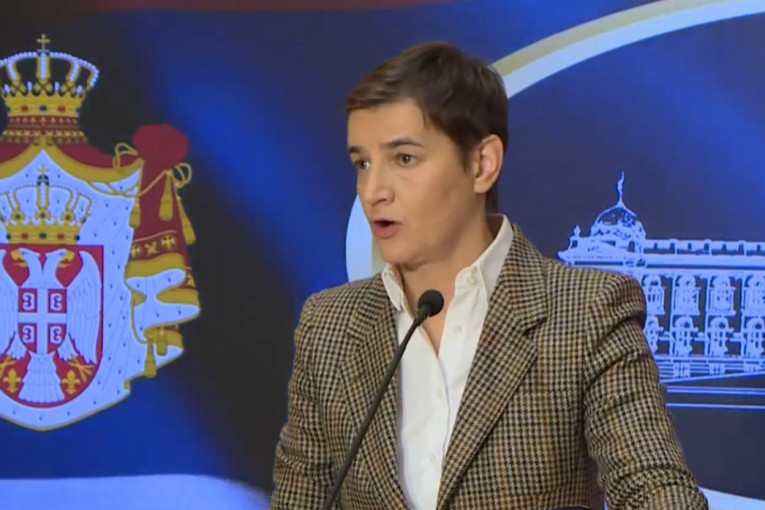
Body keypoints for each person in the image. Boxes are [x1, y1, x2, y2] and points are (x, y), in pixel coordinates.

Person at [271, 41, 708, 510]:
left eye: (404, 159)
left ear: (482, 164)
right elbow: (300, 500)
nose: (373, 191)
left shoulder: (586, 313)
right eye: (362, 163)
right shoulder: (329, 325)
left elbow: (656, 492)